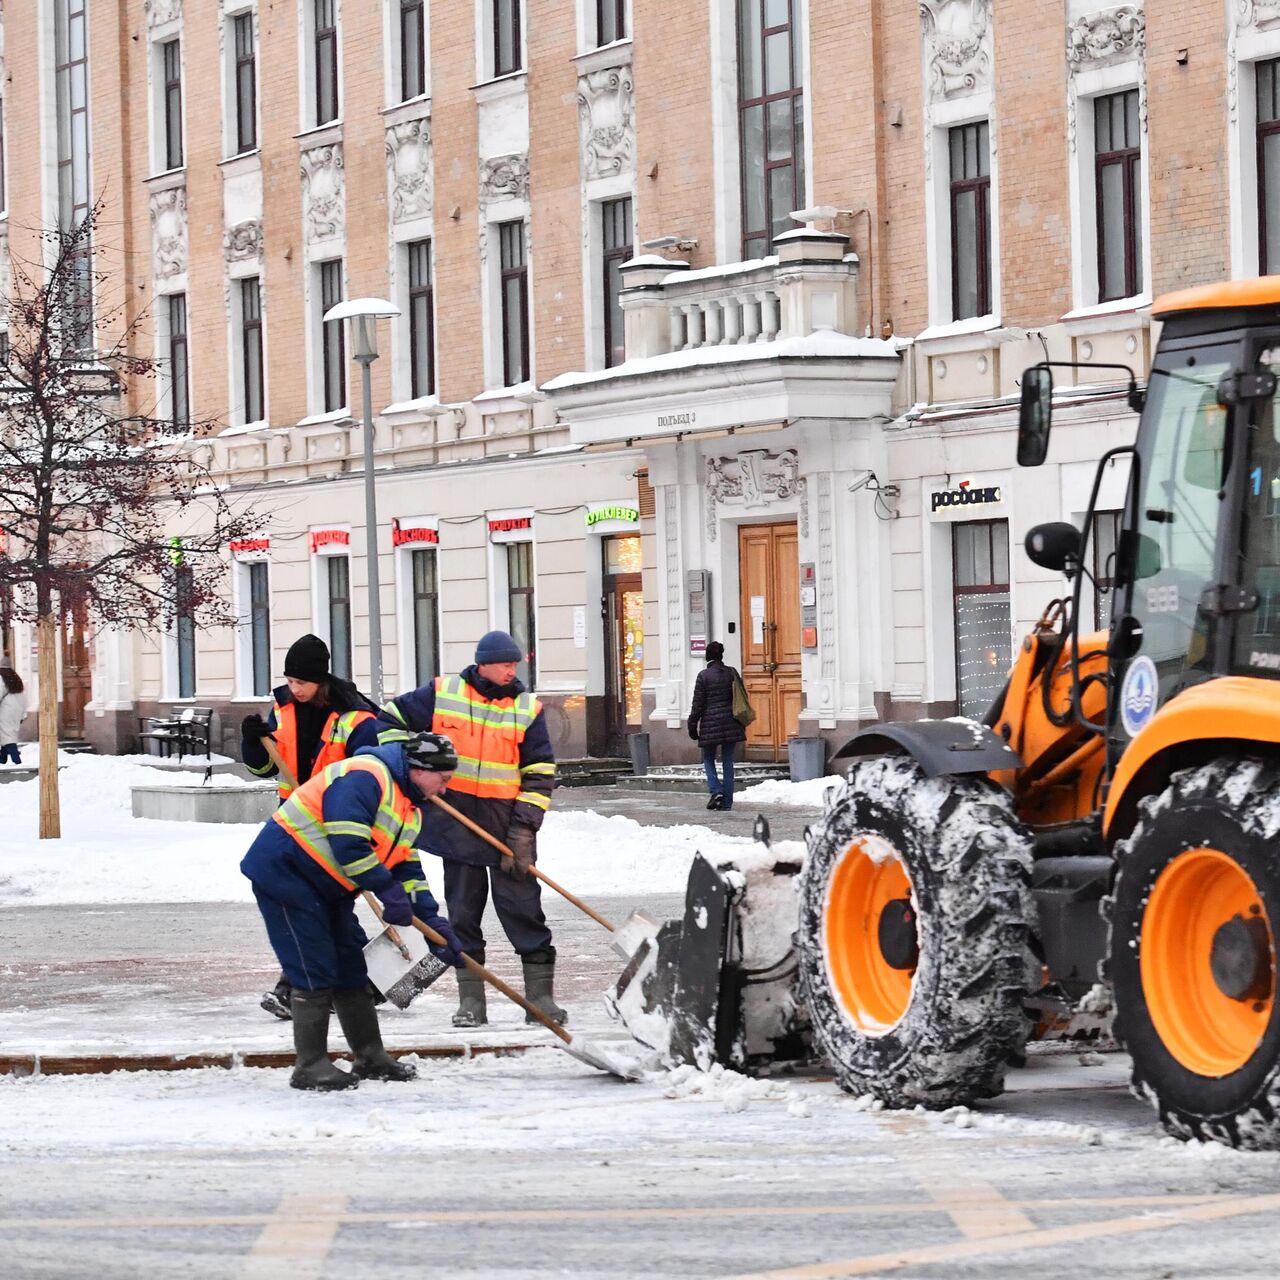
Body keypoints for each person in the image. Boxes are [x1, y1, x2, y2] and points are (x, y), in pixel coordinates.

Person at [240, 731, 466, 1091]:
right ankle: (310, 1065)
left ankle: (370, 1056)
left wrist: (431, 918)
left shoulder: (409, 806)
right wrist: (386, 890)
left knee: (350, 967)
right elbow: (349, 843)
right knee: (313, 965)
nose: (444, 790)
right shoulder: (366, 776)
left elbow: (406, 864)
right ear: (420, 769)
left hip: (329, 887)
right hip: (287, 873)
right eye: (443, 780)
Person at [378, 630, 561, 1028]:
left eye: (515, 664)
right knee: (462, 913)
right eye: (504, 664)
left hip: (507, 828)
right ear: (482, 664)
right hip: (455, 825)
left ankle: (541, 998)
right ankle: (471, 1002)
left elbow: (540, 772)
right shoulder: (444, 693)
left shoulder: (527, 709)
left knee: (523, 909)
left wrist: (525, 830)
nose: (511, 671)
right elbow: (389, 720)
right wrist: (409, 768)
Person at [240, 634, 381, 1020]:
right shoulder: (282, 710)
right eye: (290, 681)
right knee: (322, 905)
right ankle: (365, 981)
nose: (294, 689)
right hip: (293, 824)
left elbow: (371, 776)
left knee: (317, 905)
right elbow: (263, 768)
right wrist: (252, 742)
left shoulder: (356, 719)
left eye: (301, 682)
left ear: (320, 681)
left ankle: (297, 988)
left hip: (337, 825)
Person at [688, 641, 747, 811]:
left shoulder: (703, 676)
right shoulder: (732, 673)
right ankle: (727, 801)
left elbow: (697, 704)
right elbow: (742, 696)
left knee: (708, 758)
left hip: (710, 724)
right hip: (731, 722)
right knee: (728, 760)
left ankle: (716, 791)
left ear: (708, 657)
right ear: (721, 655)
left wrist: (692, 726)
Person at [0, 667, 27, 765]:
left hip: (5, 711)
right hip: (16, 712)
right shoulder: (17, 684)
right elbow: (25, 701)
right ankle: (2, 759)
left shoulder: (1, 679)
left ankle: (17, 760)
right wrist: (23, 715)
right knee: (8, 734)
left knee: (7, 737)